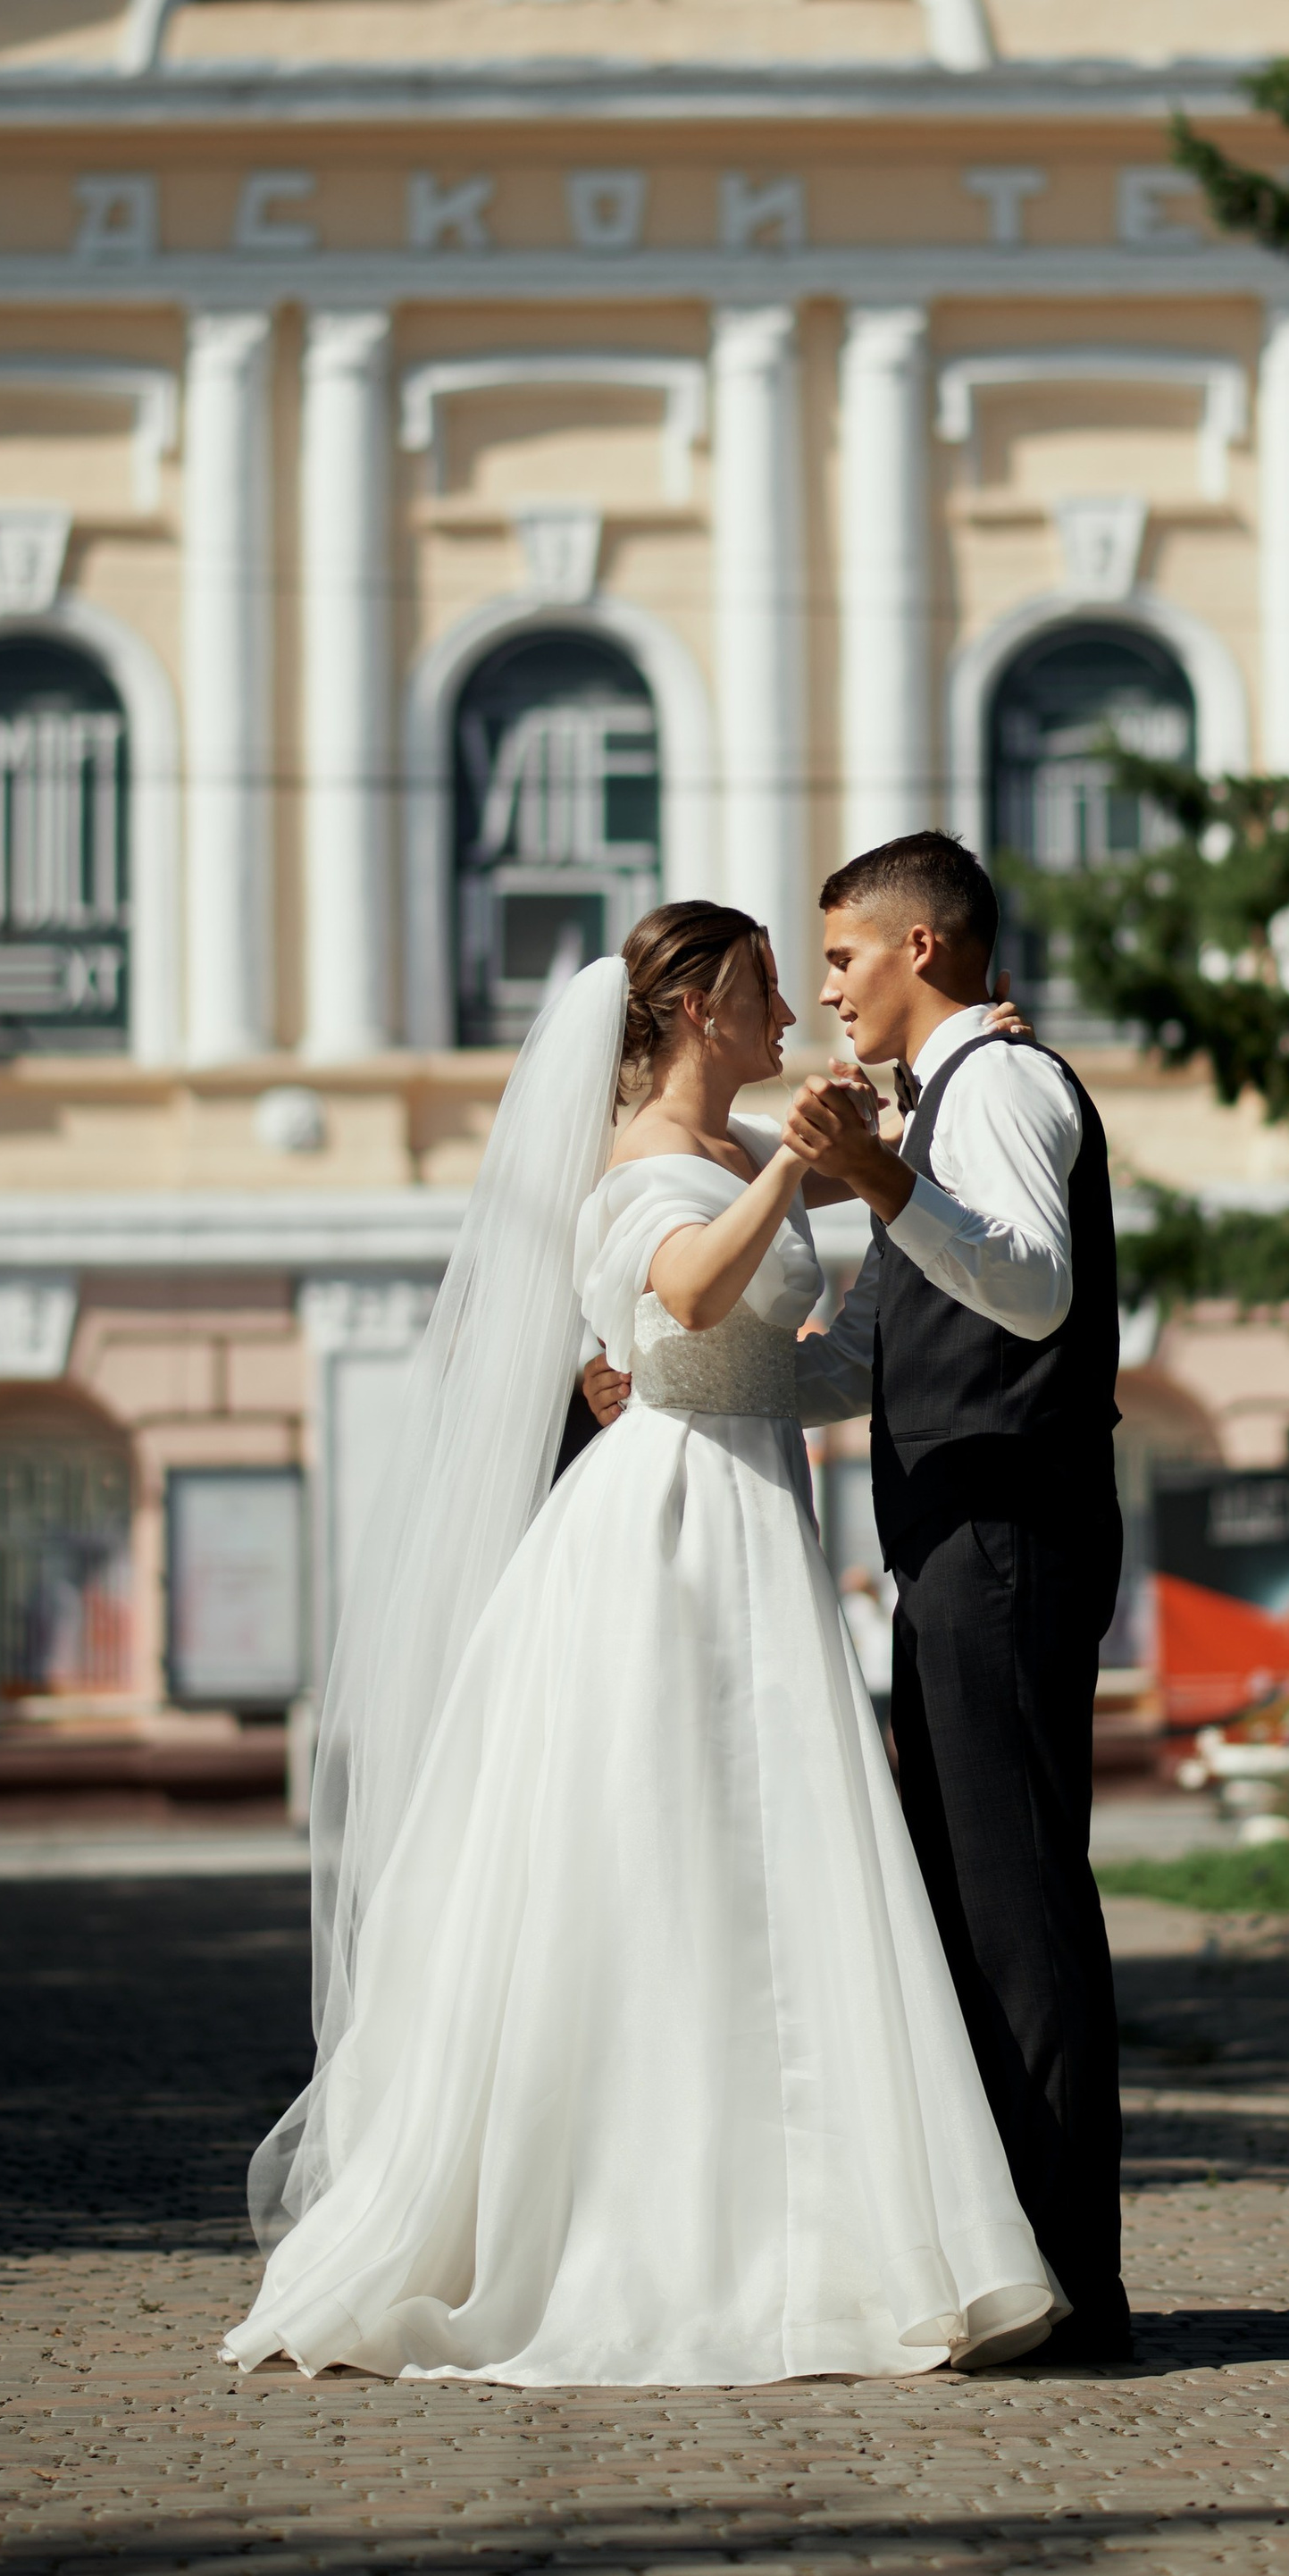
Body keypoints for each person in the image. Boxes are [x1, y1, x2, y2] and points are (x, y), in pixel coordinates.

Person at [222, 903, 1062, 2387]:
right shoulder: (639, 1169)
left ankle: (798, 2229)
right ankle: (632, 2231)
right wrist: (803, 1169)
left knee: (765, 1874)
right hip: (666, 1534)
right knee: (661, 1862)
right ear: (690, 1011)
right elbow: (684, 1294)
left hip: (751, 1507)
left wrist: (879, 1151)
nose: (789, 1016)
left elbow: (767, 1367)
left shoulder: (743, 1161)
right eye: (760, 994)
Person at [783, 830, 1132, 2366]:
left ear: (925, 946)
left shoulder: (1000, 1086)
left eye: (846, 955)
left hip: (1004, 1535)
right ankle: (1028, 2254)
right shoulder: (934, 1115)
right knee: (976, 1899)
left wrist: (880, 1175)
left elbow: (1034, 1287)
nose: (828, 992)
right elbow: (863, 1353)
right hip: (959, 1546)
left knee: (1017, 1909)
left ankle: (1070, 2276)